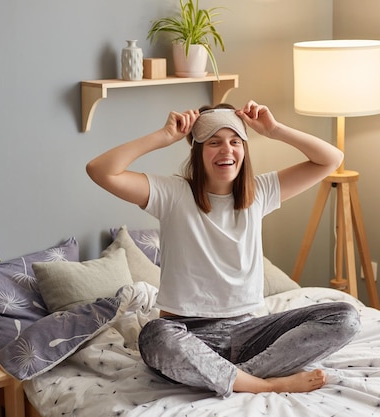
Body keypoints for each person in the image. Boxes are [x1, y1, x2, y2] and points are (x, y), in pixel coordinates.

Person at [86, 100, 360, 398]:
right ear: (198, 151)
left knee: (345, 316)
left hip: (250, 333)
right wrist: (163, 137)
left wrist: (274, 129)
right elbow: (101, 171)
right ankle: (265, 384)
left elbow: (331, 159)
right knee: (154, 337)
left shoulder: (260, 192)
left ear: (244, 149)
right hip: (187, 334)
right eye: (214, 142)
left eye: (235, 141)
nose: (226, 150)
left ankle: (228, 376)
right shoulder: (172, 194)